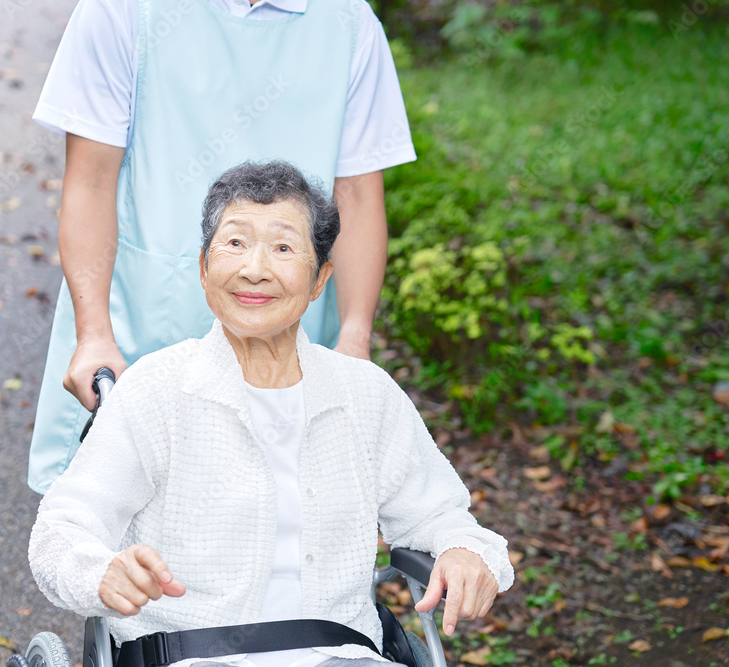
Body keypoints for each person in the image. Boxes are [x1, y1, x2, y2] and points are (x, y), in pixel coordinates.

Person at [29, 162, 514, 667]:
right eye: (235, 243)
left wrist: (464, 549)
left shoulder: (365, 394)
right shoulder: (156, 391)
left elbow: (439, 515)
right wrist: (100, 572)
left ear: (320, 278)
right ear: (203, 266)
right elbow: (61, 530)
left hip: (343, 655)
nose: (254, 268)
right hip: (191, 657)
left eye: (282, 248)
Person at [26, 0, 417, 494]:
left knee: (272, 533)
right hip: (132, 333)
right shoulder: (121, 10)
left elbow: (358, 197)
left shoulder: (349, 22)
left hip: (288, 345)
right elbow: (90, 183)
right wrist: (93, 334)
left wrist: (355, 340)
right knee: (110, 543)